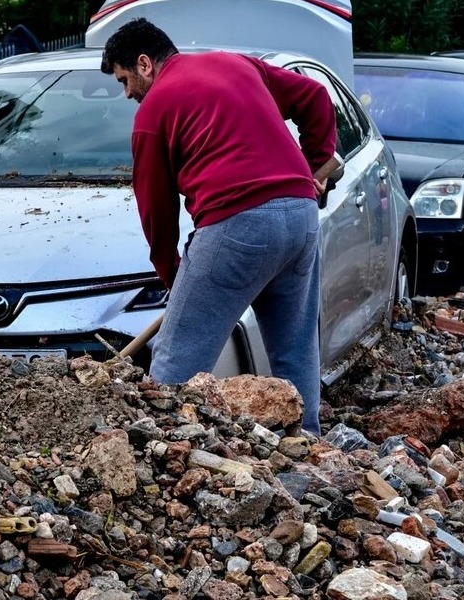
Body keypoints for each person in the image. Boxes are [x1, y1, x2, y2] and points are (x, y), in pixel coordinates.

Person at [100, 18, 337, 435]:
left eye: (124, 80)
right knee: (295, 346)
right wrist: (316, 164)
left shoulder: (153, 113)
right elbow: (315, 97)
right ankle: (308, 446)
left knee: (176, 360)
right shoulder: (238, 65)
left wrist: (176, 278)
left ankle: (162, 446)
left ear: (144, 64)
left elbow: (155, 212)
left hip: (237, 225)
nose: (127, 94)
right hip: (300, 217)